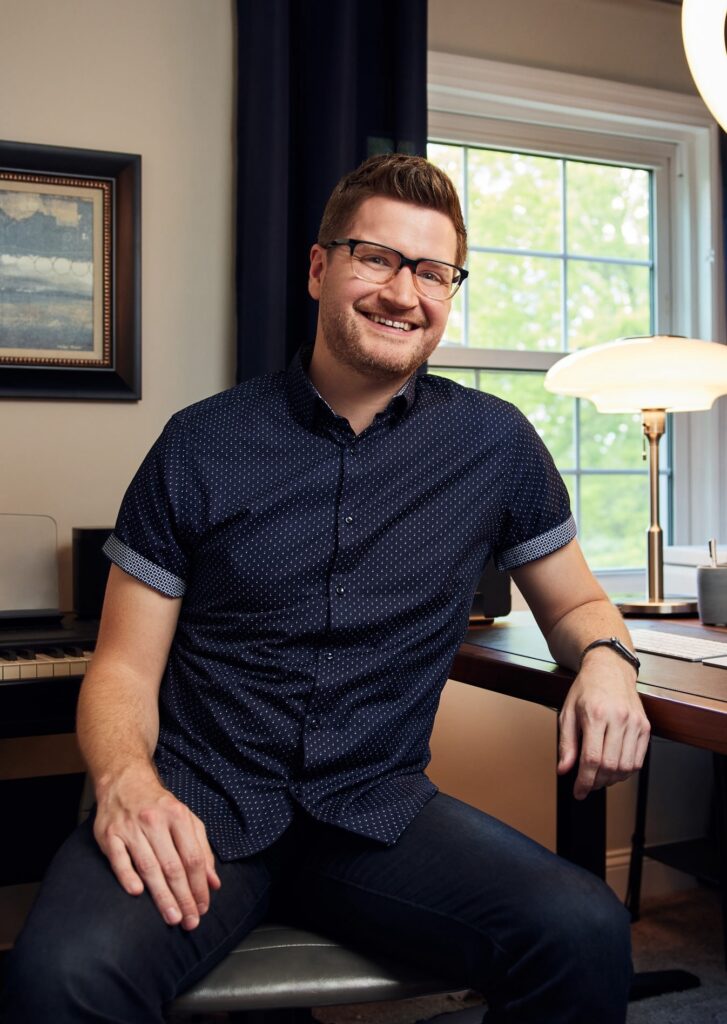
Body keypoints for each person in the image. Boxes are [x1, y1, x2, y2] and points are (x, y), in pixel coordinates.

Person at [3, 153, 650, 1023]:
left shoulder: (495, 447)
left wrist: (608, 661)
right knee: (59, 982)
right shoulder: (199, 445)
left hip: (377, 820)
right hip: (198, 809)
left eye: (431, 271)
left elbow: (575, 605)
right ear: (318, 269)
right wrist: (126, 782)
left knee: (584, 930)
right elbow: (121, 668)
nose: (402, 292)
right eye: (375, 258)